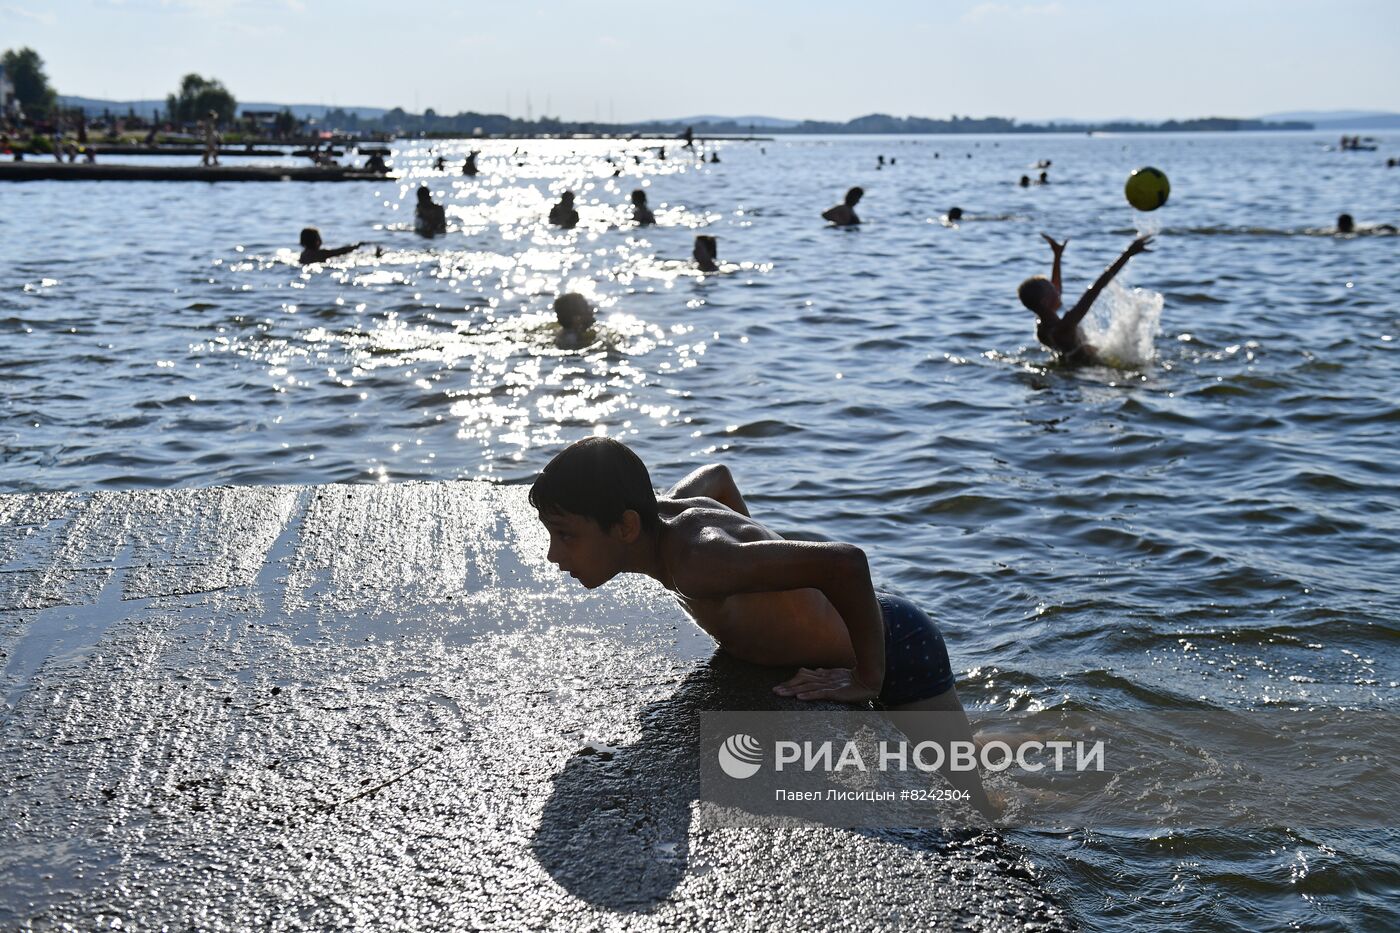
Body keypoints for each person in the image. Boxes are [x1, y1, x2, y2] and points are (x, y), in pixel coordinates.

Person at [529, 437, 995, 817]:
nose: (554, 554)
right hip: (857, 630)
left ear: (627, 526)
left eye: (566, 535)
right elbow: (719, 478)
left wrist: (866, 679)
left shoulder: (701, 560)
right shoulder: (664, 520)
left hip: (897, 645)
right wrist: (763, 596)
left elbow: (848, 563)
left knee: (973, 800)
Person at [1018, 233, 1153, 363]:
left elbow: (1054, 293)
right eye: (1052, 288)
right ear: (1046, 302)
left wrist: (1057, 256)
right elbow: (1096, 288)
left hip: (1071, 367)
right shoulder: (1065, 326)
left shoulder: (1043, 326)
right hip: (1090, 368)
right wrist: (1128, 253)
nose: (1057, 289)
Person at [298, 227, 364, 264]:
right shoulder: (321, 253)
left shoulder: (303, 255)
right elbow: (340, 251)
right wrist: (356, 246)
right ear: (317, 241)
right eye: (319, 238)